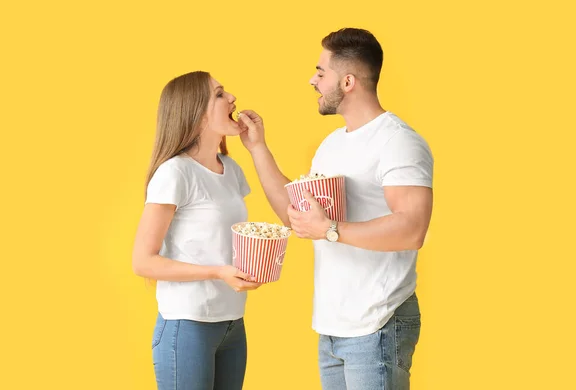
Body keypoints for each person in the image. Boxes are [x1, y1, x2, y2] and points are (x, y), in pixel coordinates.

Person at [237, 28, 434, 389]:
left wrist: (330, 229)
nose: (312, 80)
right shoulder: (331, 145)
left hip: (378, 321)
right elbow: (295, 216)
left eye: (320, 72)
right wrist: (258, 149)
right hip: (333, 325)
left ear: (347, 82)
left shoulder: (398, 142)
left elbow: (412, 229)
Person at [132, 71, 262, 390]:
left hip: (232, 322)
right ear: (195, 112)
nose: (232, 98)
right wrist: (219, 272)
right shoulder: (175, 173)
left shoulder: (230, 169)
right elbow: (143, 262)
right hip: (188, 324)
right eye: (219, 94)